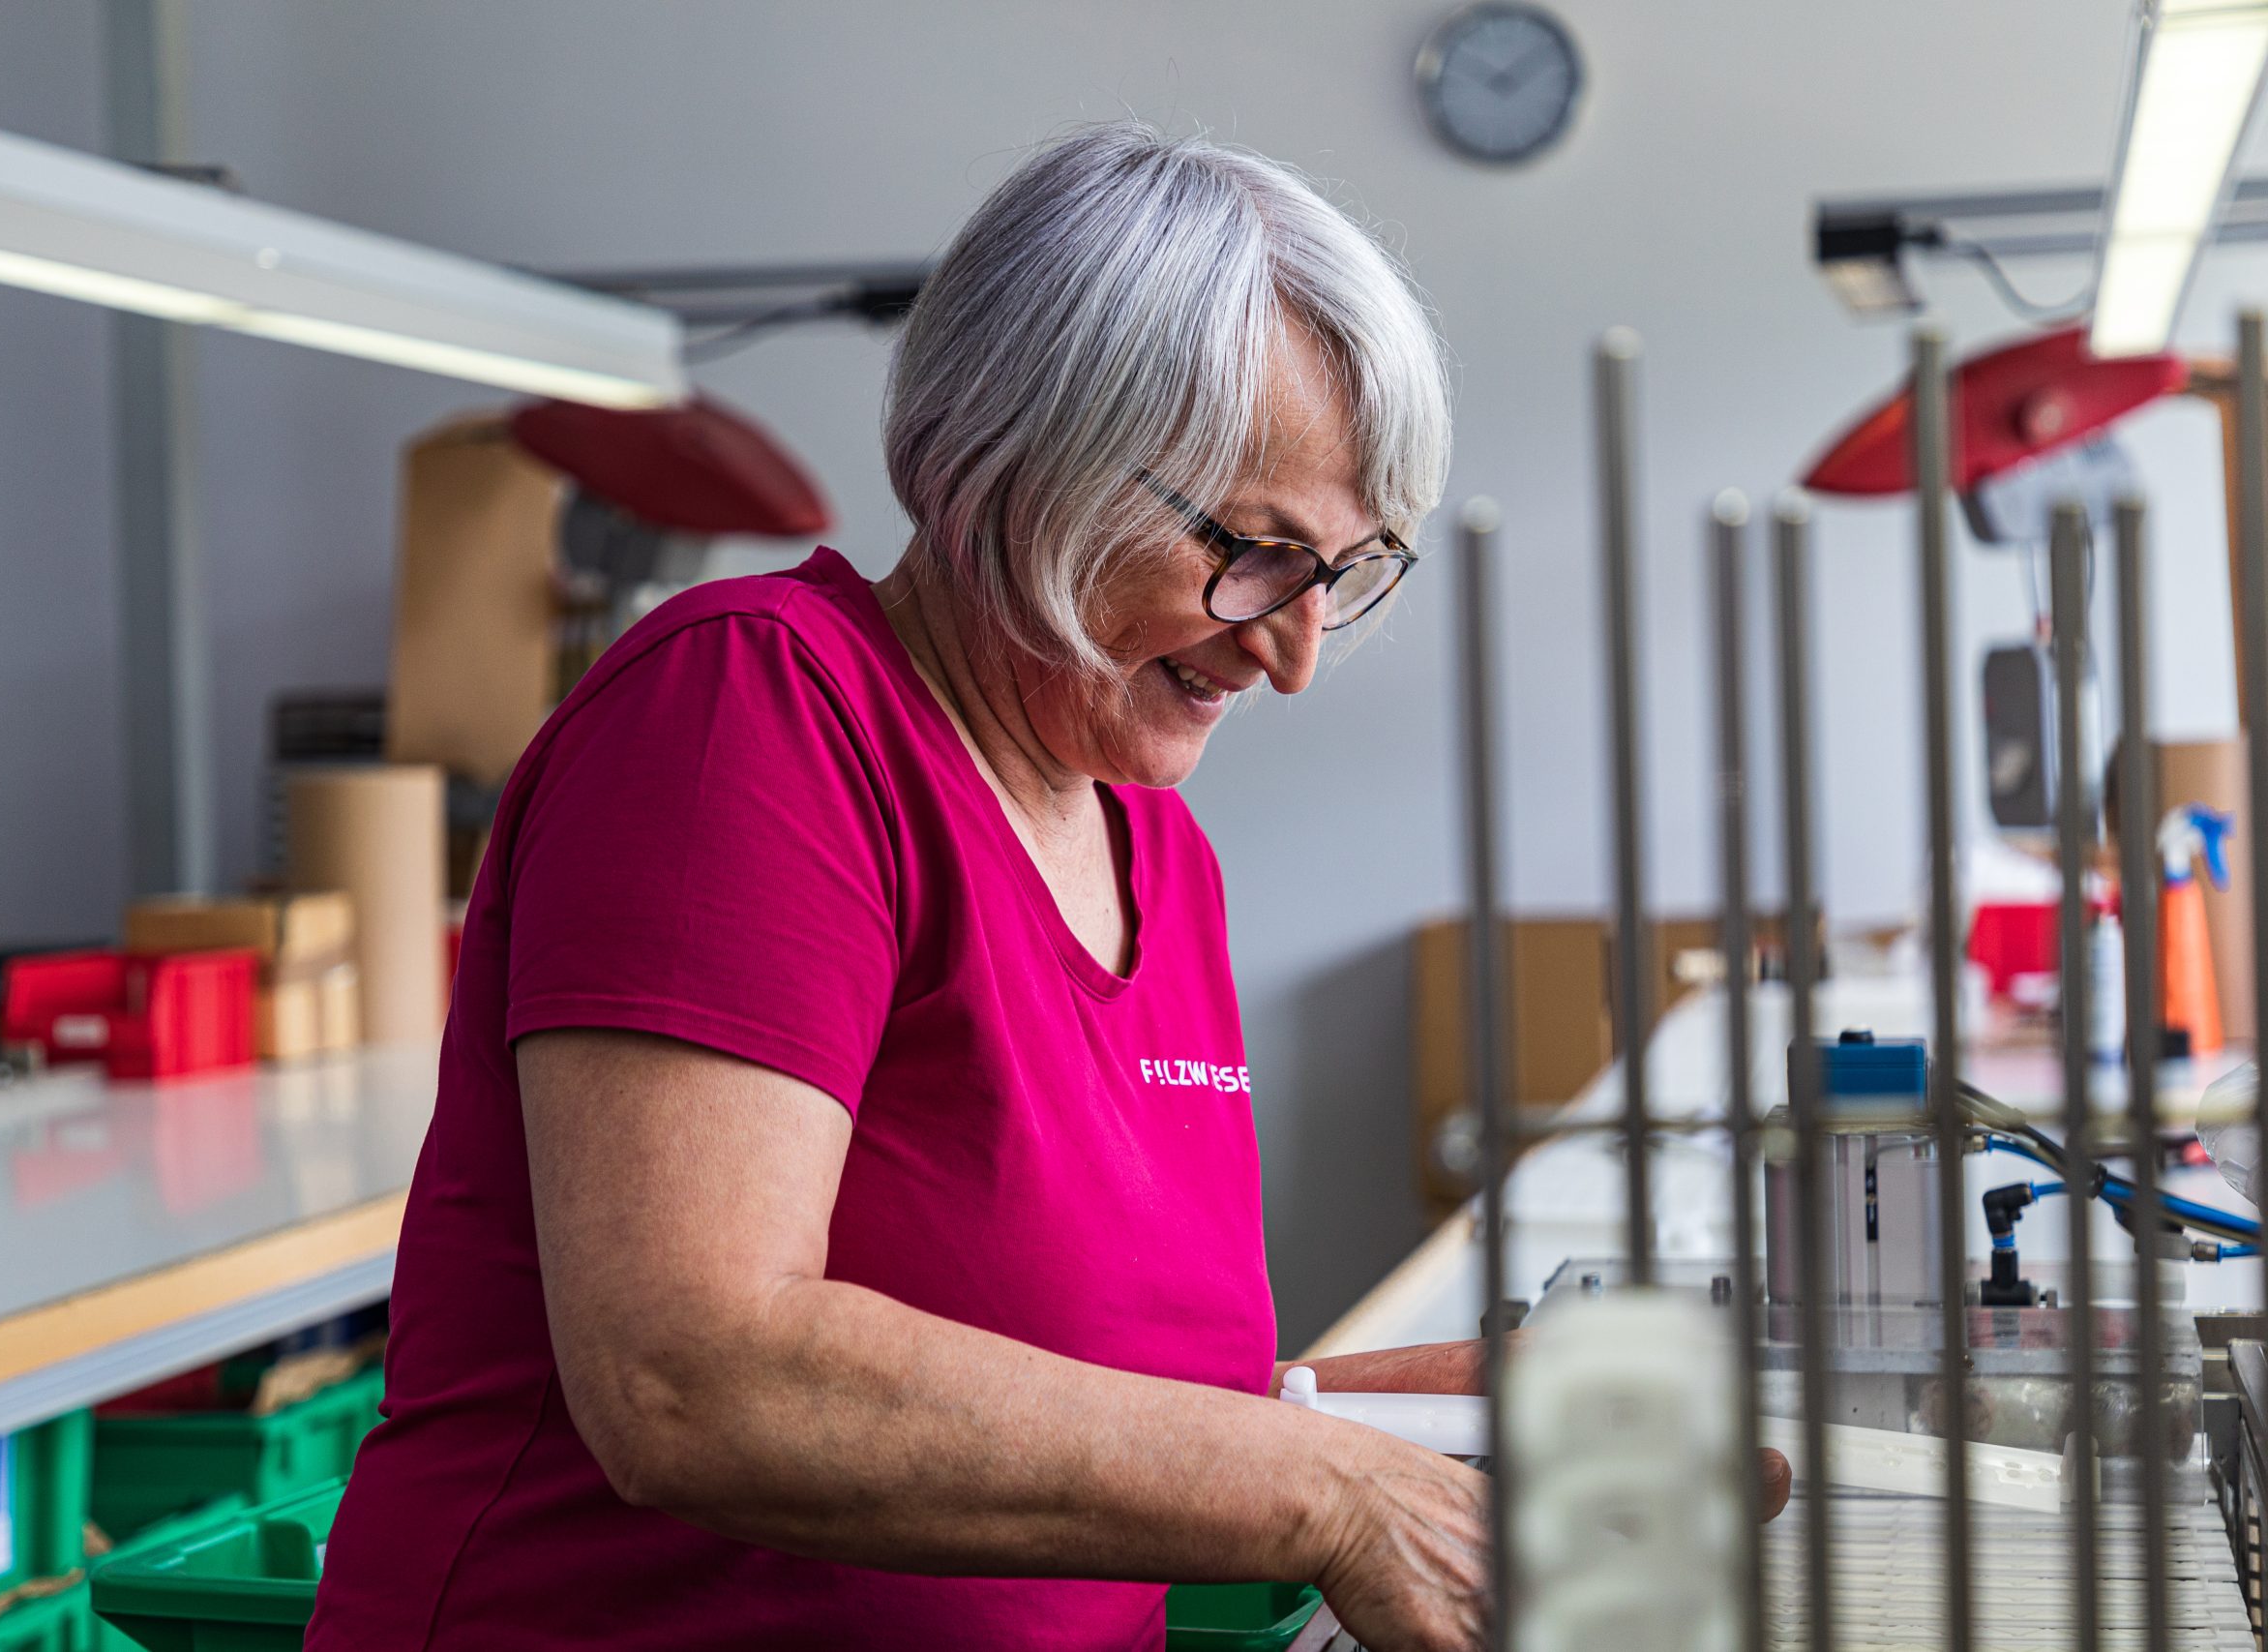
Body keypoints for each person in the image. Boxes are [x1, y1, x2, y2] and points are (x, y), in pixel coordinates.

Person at [309, 122, 1784, 1652]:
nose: (1290, 651)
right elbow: (697, 1376)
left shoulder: (1155, 849)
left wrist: (1444, 1417)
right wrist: (1326, 1493)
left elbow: (1096, 1395)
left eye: (1342, 576)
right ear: (1024, 458)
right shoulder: (751, 715)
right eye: (1259, 555)